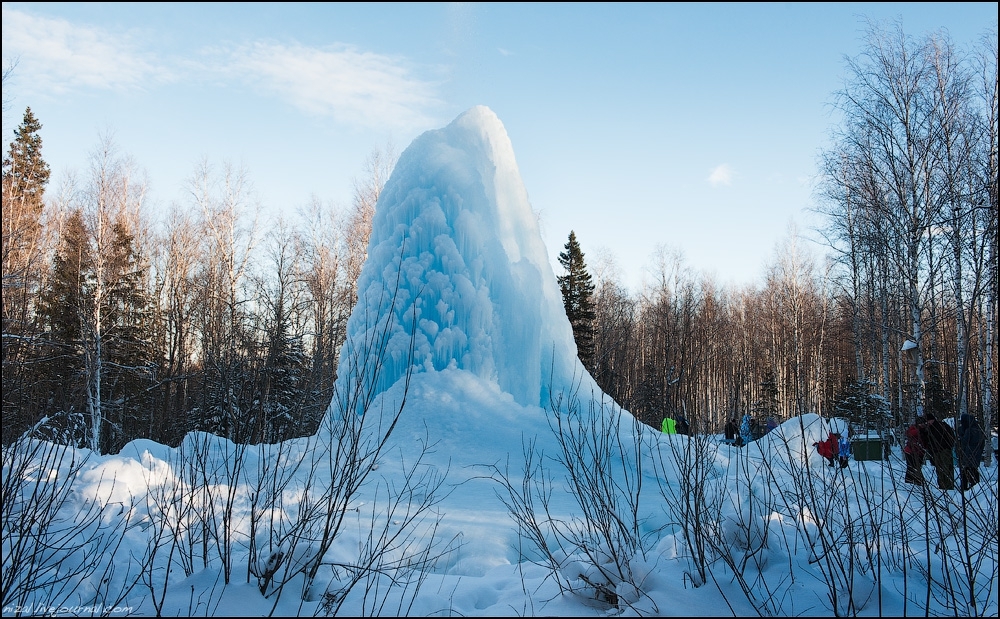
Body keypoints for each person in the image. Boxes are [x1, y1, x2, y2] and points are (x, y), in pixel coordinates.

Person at [920, 413, 956, 490]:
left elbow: (951, 438)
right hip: (936, 452)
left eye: (928, 421)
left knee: (946, 469)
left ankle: (948, 486)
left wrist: (946, 446)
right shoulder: (929, 428)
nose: (927, 423)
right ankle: (942, 486)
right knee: (939, 470)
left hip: (944, 450)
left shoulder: (941, 426)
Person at [956, 413, 985, 492]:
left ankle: (964, 486)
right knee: (973, 469)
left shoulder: (969, 430)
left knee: (966, 470)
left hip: (968, 452)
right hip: (977, 452)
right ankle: (975, 485)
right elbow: (982, 443)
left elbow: (964, 442)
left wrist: (961, 450)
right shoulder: (978, 429)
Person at [902, 416, 926, 485]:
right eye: (920, 423)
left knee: (917, 467)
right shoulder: (913, 429)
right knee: (911, 466)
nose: (922, 425)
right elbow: (909, 433)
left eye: (923, 423)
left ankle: (917, 481)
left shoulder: (925, 430)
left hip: (920, 452)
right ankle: (909, 481)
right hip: (911, 451)